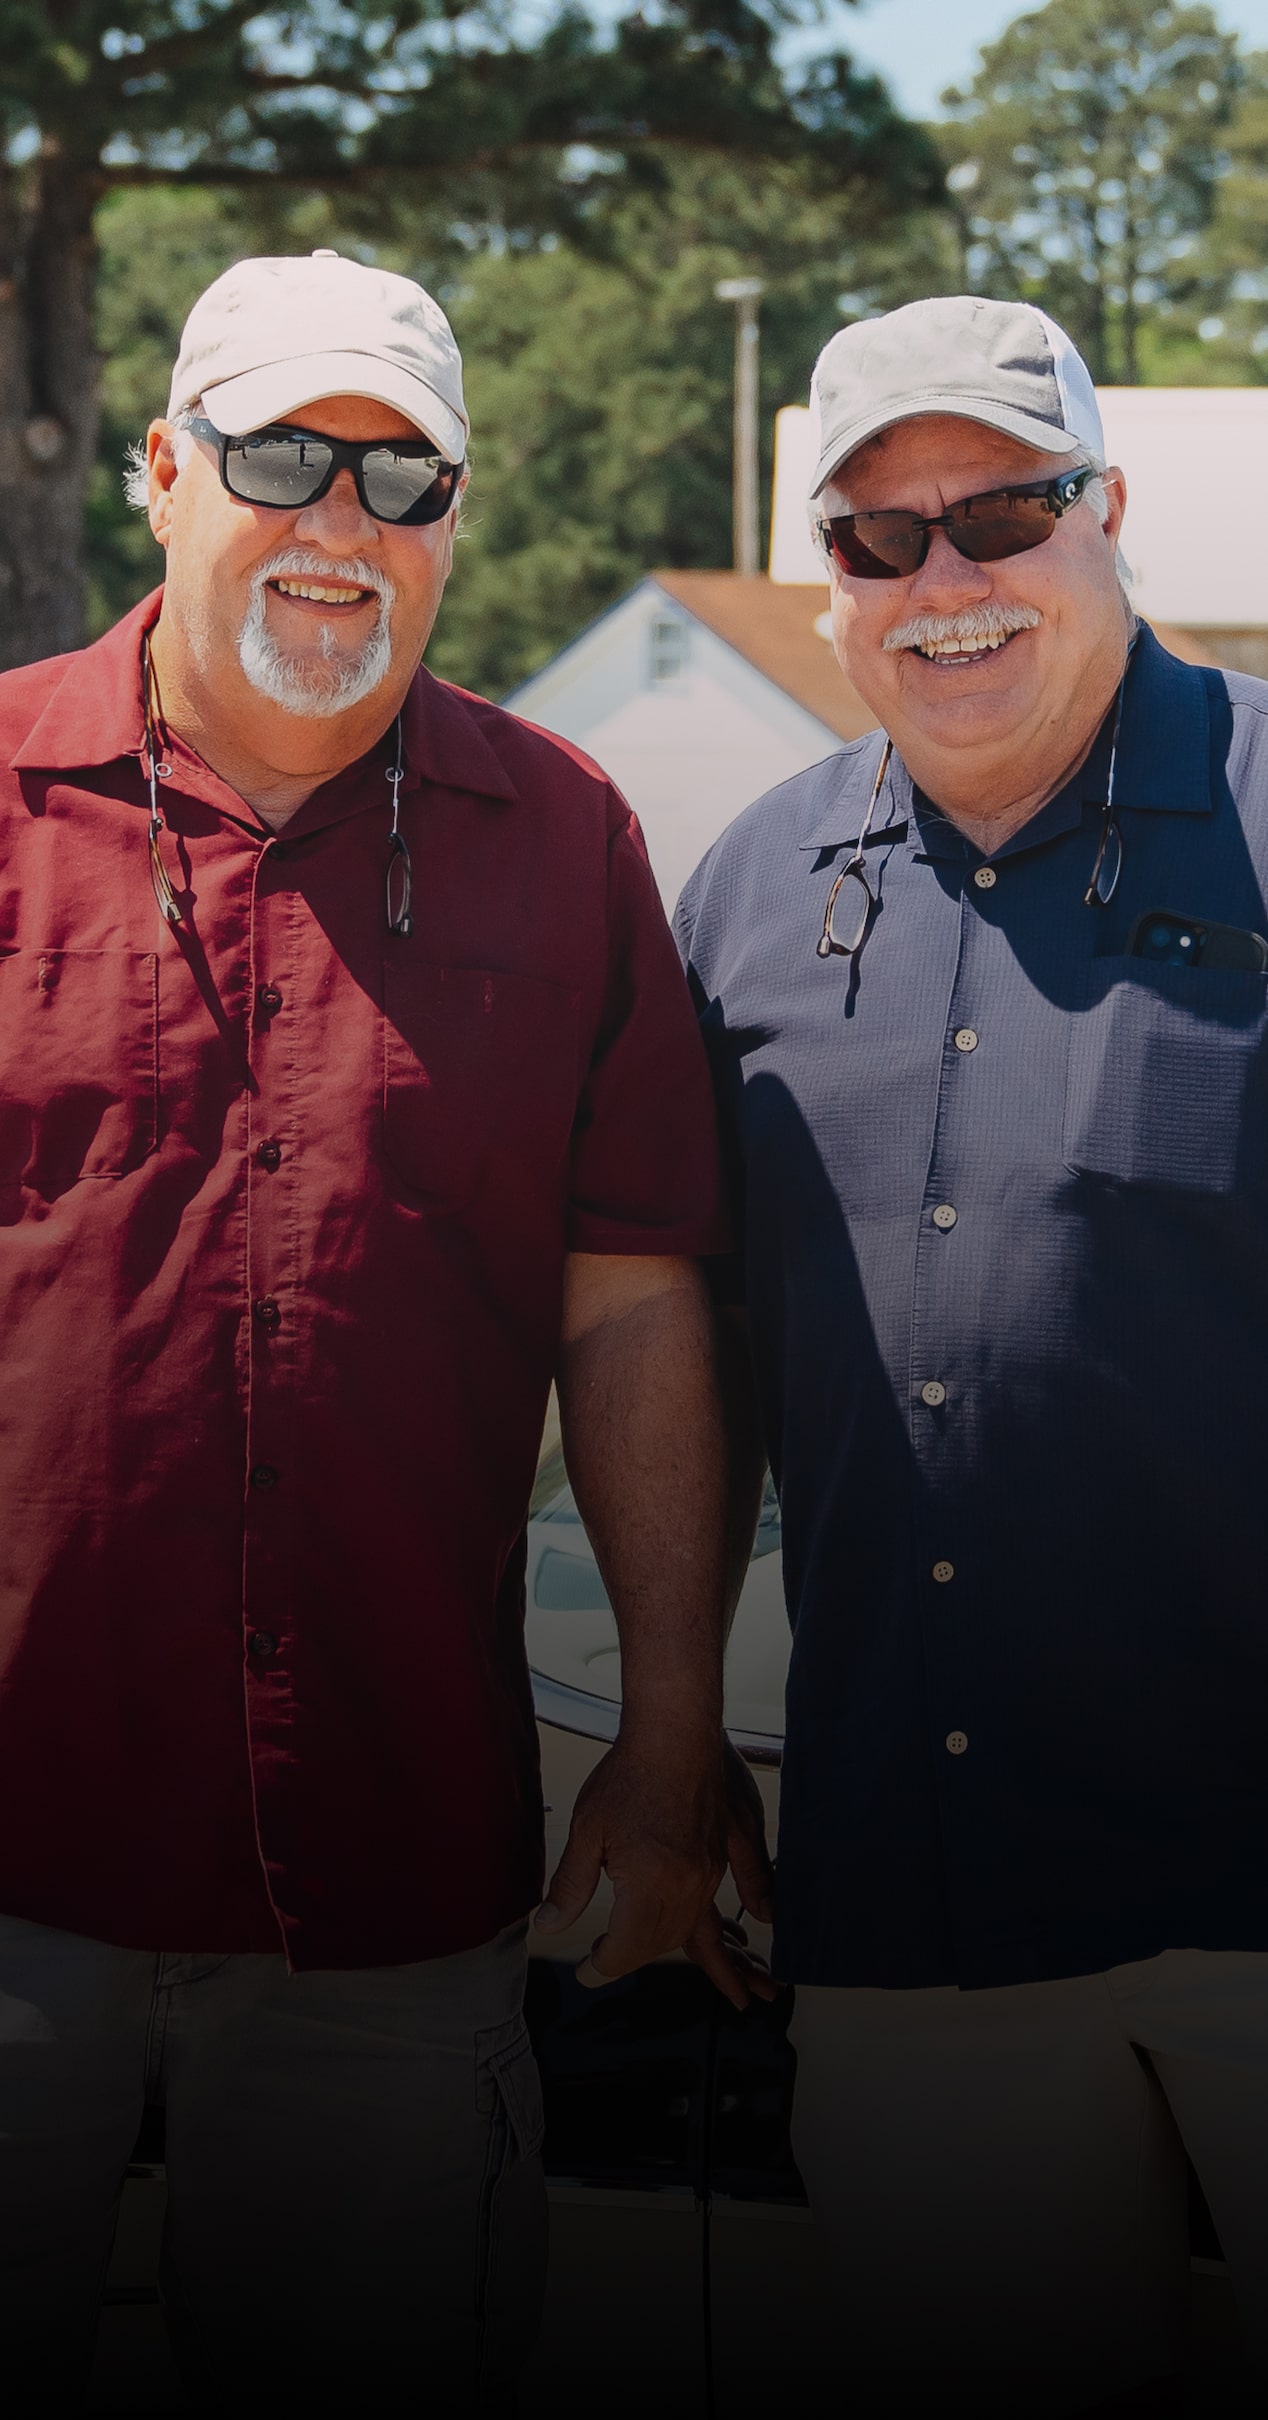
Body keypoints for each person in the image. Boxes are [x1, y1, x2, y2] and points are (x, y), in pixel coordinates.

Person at [0, 247, 771, 2408]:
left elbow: (629, 1306)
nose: (340, 526)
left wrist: (677, 1726)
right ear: (163, 471)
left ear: (460, 519)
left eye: (400, 480)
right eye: (278, 458)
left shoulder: (573, 836)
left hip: (387, 1869)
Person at [674, 294, 1268, 2416]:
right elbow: (679, 1359)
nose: (944, 582)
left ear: (1106, 513)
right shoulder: (742, 893)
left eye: (1000, 512)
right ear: (823, 578)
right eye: (876, 538)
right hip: (909, 1901)